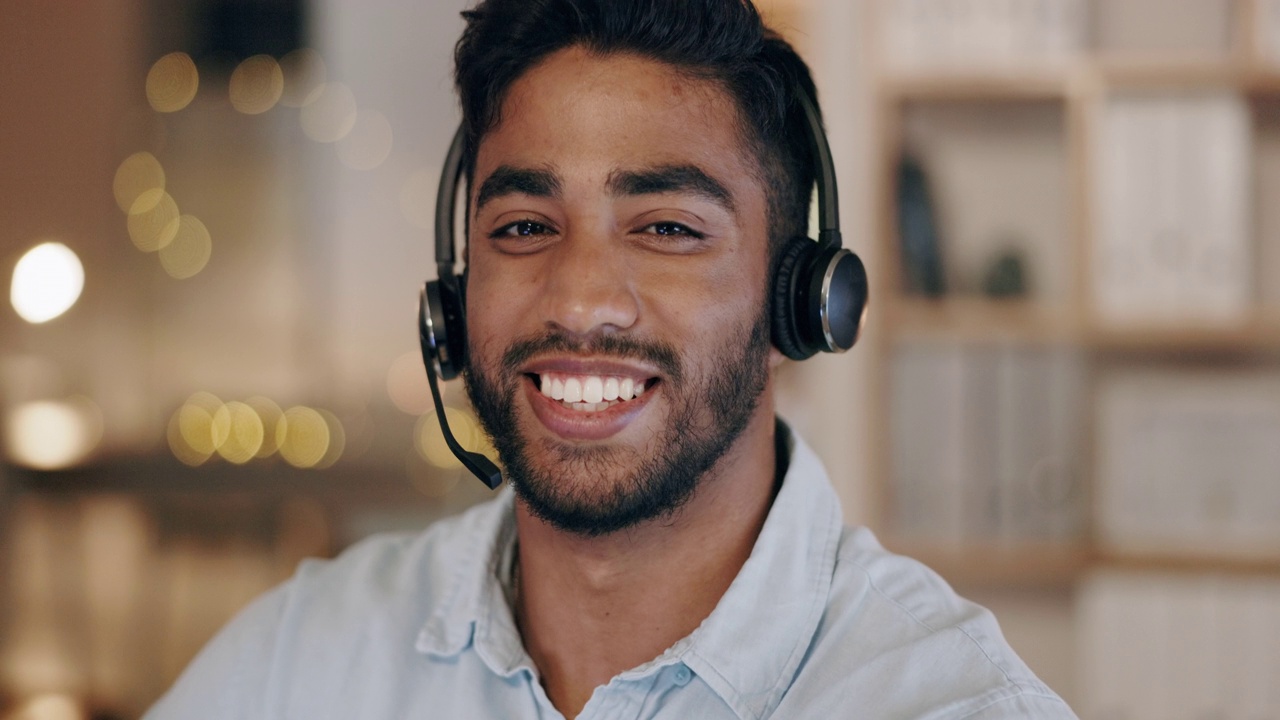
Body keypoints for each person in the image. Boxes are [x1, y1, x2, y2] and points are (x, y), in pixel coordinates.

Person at [146, 0, 1077, 718]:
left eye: (667, 227)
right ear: (451, 300)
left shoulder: (949, 703)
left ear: (800, 301)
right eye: (523, 226)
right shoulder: (302, 659)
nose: (581, 297)